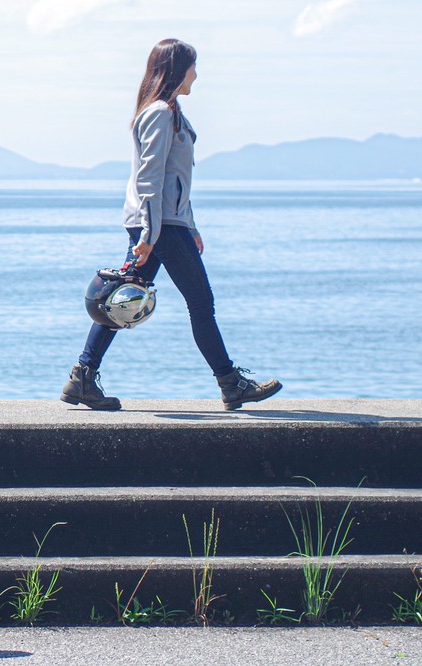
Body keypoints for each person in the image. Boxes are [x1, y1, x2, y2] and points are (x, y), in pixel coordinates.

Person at [60, 38, 282, 412]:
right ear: (177, 70)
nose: (197, 73)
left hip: (166, 224)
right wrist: (149, 234)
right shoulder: (160, 112)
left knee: (119, 299)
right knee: (200, 303)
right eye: (193, 66)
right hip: (160, 226)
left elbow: (176, 178)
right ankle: (231, 384)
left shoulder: (170, 111)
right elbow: (150, 177)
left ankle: (82, 376)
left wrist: (190, 226)